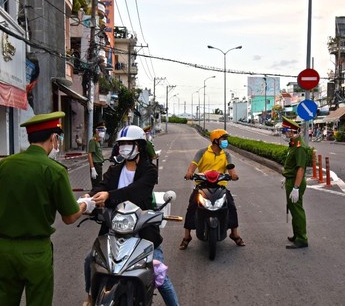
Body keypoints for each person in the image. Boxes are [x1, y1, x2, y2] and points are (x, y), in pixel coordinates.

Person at [0, 111, 99, 306]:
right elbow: (70, 216)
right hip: (36, 251)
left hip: (3, 249)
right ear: (53, 138)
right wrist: (86, 204)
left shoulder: (5, 165)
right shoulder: (54, 170)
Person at [83, 125, 179, 306]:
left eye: (129, 143)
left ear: (139, 145)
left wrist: (109, 196)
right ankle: (90, 297)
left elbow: (136, 192)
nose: (124, 147)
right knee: (90, 260)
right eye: (122, 144)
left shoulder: (149, 171)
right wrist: (90, 196)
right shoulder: (115, 169)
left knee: (159, 274)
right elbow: (102, 186)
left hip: (142, 226)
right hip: (114, 226)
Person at [181, 129, 244, 249]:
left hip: (220, 186)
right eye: (223, 139)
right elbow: (193, 166)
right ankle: (187, 236)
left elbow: (231, 169)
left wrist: (234, 175)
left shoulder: (226, 154)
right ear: (215, 140)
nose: (225, 141)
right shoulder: (203, 152)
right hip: (202, 185)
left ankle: (234, 234)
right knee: (192, 206)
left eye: (226, 139)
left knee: (231, 206)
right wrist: (189, 173)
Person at [280, 116, 309, 249]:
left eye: (285, 130)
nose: (284, 133)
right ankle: (297, 235)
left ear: (292, 131)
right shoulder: (293, 144)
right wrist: (286, 177)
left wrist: (296, 187)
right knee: (293, 209)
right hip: (290, 180)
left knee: (297, 210)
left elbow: (301, 168)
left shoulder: (299, 147)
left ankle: (302, 239)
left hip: (295, 182)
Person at [88, 122, 106, 188]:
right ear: (96, 131)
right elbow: (90, 154)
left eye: (104, 130)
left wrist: (102, 160)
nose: (103, 132)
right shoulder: (93, 141)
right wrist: (92, 168)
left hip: (99, 165)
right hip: (95, 165)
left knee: (98, 184)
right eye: (101, 130)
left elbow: (98, 154)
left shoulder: (98, 141)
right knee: (96, 185)